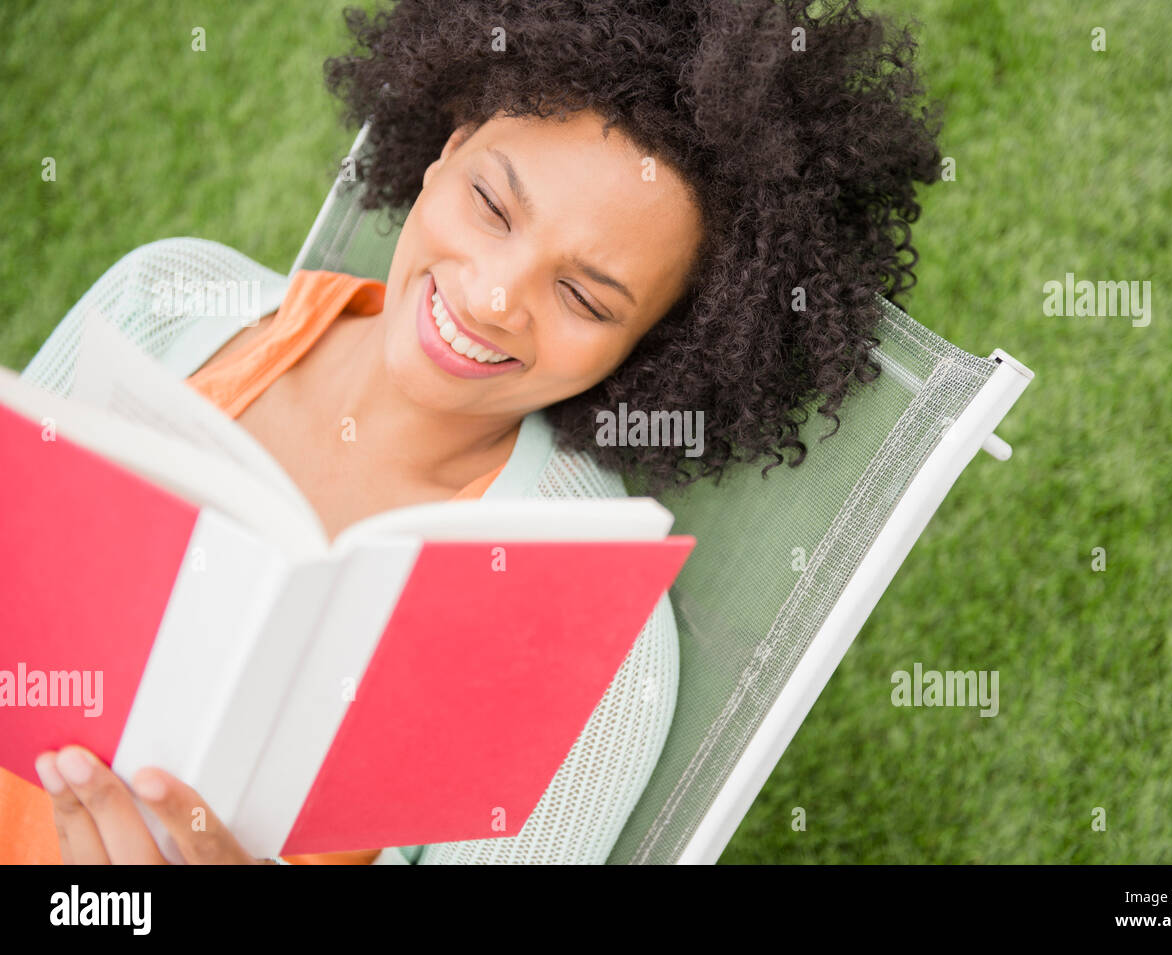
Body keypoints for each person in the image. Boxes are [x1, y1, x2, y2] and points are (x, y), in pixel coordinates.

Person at [11, 0, 943, 864]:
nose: (494, 297)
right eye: (493, 205)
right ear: (446, 147)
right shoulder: (162, 295)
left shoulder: (594, 648)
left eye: (582, 295)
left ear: (658, 349)